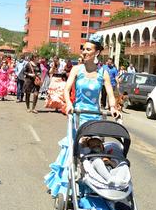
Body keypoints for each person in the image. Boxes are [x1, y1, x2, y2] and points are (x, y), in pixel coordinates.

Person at [44, 34, 119, 197]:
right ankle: (67, 186)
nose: (84, 52)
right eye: (83, 49)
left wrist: (113, 107)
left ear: (97, 52)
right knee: (75, 150)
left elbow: (110, 93)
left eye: (88, 49)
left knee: (92, 150)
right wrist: (69, 104)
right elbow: (66, 88)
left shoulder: (103, 73)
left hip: (94, 116)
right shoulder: (77, 69)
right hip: (77, 114)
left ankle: (95, 183)